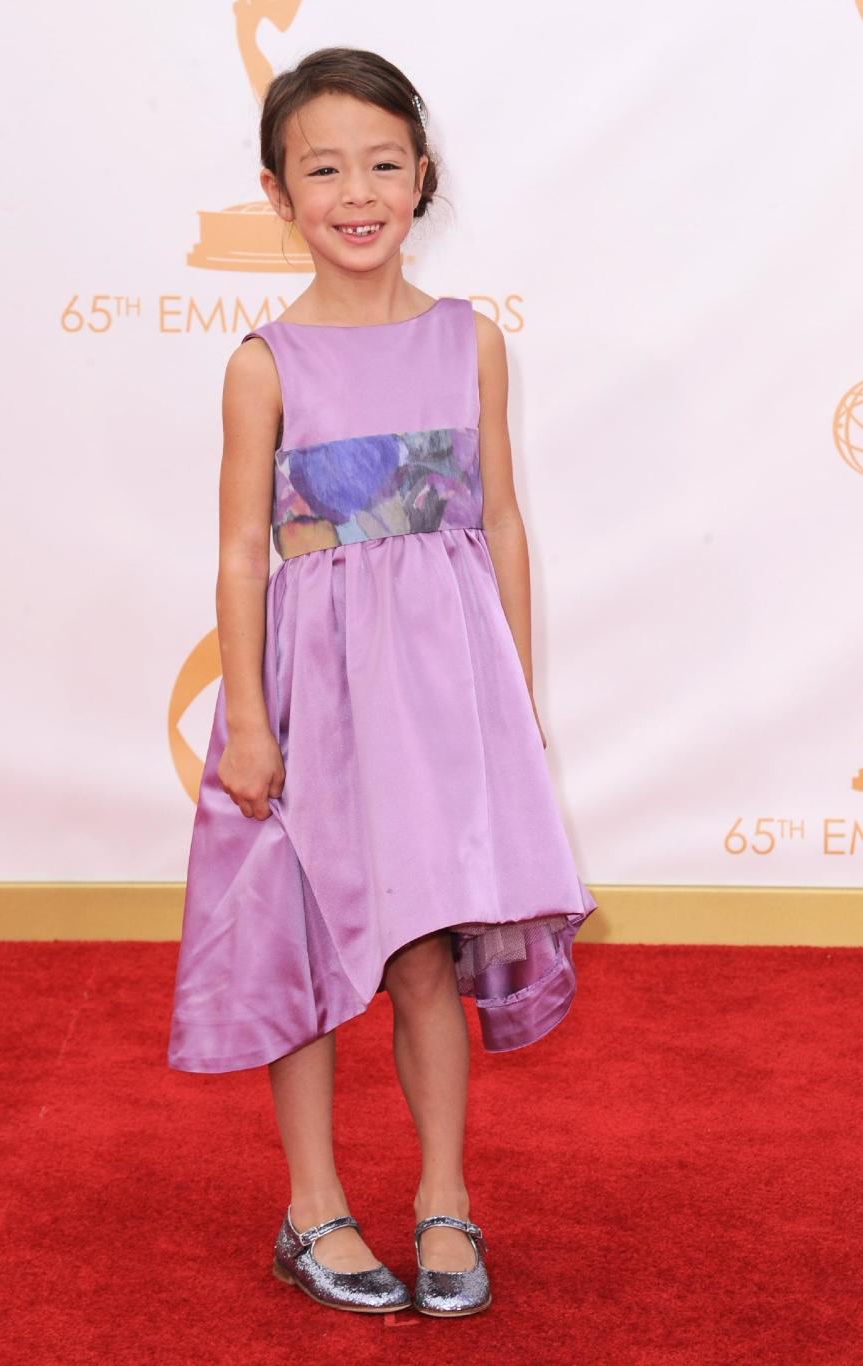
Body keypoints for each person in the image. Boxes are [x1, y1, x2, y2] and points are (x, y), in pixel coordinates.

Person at [167, 45, 598, 1318]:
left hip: (438, 698)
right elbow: (243, 550)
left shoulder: (473, 342)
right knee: (303, 954)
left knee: (423, 956)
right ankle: (314, 1207)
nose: (357, 191)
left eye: (383, 163)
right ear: (277, 192)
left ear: (422, 176)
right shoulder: (266, 363)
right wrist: (247, 719)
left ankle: (444, 1196)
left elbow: (502, 524)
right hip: (310, 696)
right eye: (323, 168)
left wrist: (508, 696)